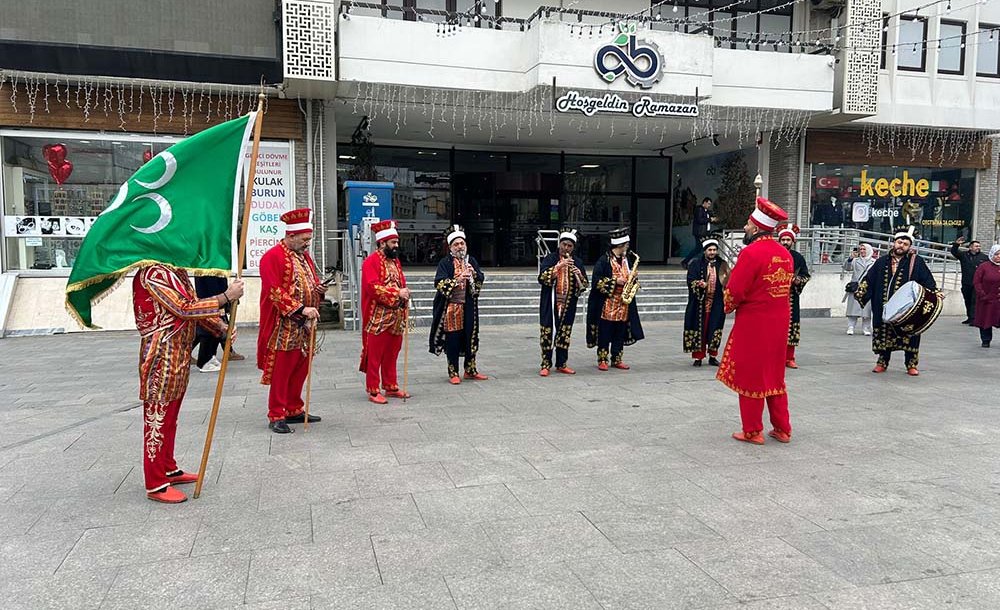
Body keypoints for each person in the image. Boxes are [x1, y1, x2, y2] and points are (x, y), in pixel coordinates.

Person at [133, 264, 244, 503]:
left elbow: (194, 308)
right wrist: (225, 297)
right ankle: (155, 482)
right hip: (160, 355)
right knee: (157, 419)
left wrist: (220, 327)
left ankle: (168, 467)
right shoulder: (153, 273)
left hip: (178, 355)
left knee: (171, 417)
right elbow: (182, 309)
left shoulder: (177, 272)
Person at [717, 197, 794, 446]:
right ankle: (782, 428)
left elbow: (736, 290)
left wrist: (726, 303)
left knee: (750, 375)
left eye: (748, 225)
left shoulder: (750, 253)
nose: (745, 229)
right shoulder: (785, 254)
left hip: (754, 323)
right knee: (774, 375)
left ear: (757, 227)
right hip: (779, 323)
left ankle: (752, 430)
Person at [257, 208, 326, 434]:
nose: (307, 244)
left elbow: (310, 283)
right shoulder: (272, 256)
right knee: (282, 370)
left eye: (309, 239)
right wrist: (301, 308)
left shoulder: (303, 257)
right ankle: (276, 413)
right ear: (291, 236)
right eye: (304, 239)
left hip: (305, 324)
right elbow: (274, 292)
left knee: (300, 367)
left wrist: (318, 290)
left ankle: (294, 408)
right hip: (284, 324)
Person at [854, 227, 937, 376]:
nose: (901, 246)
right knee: (884, 333)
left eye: (905, 244)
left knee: (910, 335)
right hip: (883, 305)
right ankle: (882, 362)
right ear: (894, 243)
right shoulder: (881, 262)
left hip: (908, 309)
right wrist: (860, 291)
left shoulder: (916, 262)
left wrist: (935, 293)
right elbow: (869, 280)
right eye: (899, 242)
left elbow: (927, 280)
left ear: (909, 246)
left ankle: (911, 364)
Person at [360, 219, 411, 403]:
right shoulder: (370, 261)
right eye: (393, 242)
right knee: (375, 354)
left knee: (392, 352)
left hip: (396, 314)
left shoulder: (395, 261)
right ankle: (373, 389)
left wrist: (404, 293)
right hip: (378, 315)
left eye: (396, 242)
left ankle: (391, 385)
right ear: (382, 243)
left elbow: (400, 281)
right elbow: (372, 287)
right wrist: (397, 292)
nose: (396, 245)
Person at [429, 224, 487, 384]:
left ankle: (470, 369)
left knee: (471, 336)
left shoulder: (471, 261)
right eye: (456, 244)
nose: (460, 247)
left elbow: (480, 279)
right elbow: (439, 283)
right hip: (452, 308)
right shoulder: (445, 263)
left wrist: (474, 275)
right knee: (453, 339)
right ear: (450, 247)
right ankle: (453, 372)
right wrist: (457, 280)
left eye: (462, 243)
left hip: (468, 307)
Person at [586, 227, 644, 371]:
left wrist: (633, 279)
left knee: (620, 331)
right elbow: (596, 282)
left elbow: (629, 276)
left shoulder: (626, 260)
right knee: (605, 332)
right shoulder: (603, 261)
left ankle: (617, 358)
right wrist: (615, 281)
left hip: (623, 303)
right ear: (620, 245)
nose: (627, 247)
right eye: (626, 245)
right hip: (608, 302)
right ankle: (603, 359)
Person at [538, 228, 589, 376]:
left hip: (568, 305)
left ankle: (562, 363)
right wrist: (558, 267)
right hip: (550, 303)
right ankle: (545, 364)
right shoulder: (550, 258)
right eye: (564, 244)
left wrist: (579, 275)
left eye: (569, 246)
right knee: (547, 333)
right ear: (559, 244)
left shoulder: (577, 262)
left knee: (565, 334)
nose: (566, 248)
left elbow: (584, 286)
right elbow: (541, 278)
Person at [683, 236, 729, 367]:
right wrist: (699, 284)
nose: (712, 252)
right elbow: (690, 280)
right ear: (704, 251)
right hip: (700, 303)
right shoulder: (696, 263)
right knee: (700, 329)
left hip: (717, 303)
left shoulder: (722, 263)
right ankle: (698, 357)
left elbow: (728, 279)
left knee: (715, 328)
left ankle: (713, 356)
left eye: (714, 250)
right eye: (710, 250)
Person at [191, 275, 245, 372]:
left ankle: (217, 354)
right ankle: (206, 360)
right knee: (208, 328)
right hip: (211, 302)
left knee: (214, 326)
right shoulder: (207, 267)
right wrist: (226, 297)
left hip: (216, 301)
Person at [777, 224, 810, 369]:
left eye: (788, 240)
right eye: (783, 239)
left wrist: (798, 281)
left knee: (792, 326)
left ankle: (789, 357)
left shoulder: (798, 257)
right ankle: (775, 358)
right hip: (775, 297)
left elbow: (805, 275)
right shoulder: (774, 255)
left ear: (793, 242)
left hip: (791, 297)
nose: (785, 242)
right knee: (775, 328)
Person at [950, 236, 988, 324]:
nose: (978, 248)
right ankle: (970, 317)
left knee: (975, 301)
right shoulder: (964, 255)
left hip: (978, 283)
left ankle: (974, 319)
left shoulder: (984, 257)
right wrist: (956, 244)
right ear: (970, 247)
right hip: (966, 282)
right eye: (976, 246)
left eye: (979, 246)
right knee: (968, 300)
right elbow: (954, 252)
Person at [843, 243, 875, 336]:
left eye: (864, 249)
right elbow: (847, 268)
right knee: (853, 309)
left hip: (867, 287)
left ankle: (866, 328)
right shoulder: (855, 261)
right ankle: (851, 326)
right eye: (860, 249)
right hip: (856, 287)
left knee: (867, 310)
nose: (862, 251)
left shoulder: (874, 262)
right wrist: (850, 258)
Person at [973, 244, 1000, 348]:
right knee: (986, 320)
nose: (998, 257)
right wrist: (982, 294)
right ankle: (986, 340)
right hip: (987, 299)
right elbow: (977, 282)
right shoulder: (984, 267)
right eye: (996, 254)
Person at [682, 198, 715, 268]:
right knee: (699, 248)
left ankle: (689, 262)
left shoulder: (706, 211)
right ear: (704, 203)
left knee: (701, 248)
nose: (709, 205)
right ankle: (686, 261)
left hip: (704, 233)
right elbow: (700, 220)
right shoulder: (699, 209)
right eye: (708, 204)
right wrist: (709, 219)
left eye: (710, 204)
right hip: (700, 233)